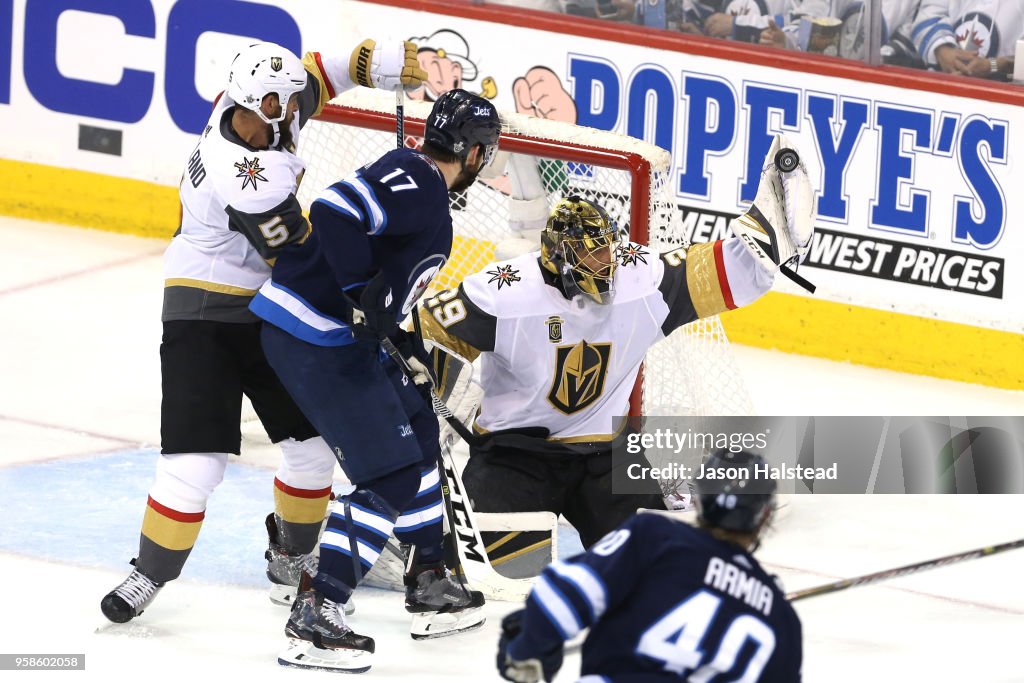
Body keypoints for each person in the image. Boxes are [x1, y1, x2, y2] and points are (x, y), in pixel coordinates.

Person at [99, 39, 428, 625]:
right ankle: (148, 571)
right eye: (275, 105)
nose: (287, 112)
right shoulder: (244, 175)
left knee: (311, 450)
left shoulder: (260, 111)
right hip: (201, 313)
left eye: (286, 102)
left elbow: (317, 77)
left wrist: (374, 65)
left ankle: (293, 559)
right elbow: (299, 259)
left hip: (268, 312)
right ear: (247, 104)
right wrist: (360, 299)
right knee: (196, 462)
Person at [412, 134, 815, 550]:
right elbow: (422, 335)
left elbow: (727, 270)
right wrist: (428, 393)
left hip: (606, 456)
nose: (606, 263)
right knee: (508, 577)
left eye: (607, 250)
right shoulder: (503, 291)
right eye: (591, 255)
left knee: (650, 563)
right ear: (558, 257)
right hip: (516, 455)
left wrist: (770, 230)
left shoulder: (642, 280)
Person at [248, 89, 503, 671]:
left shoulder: (423, 184)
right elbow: (336, 213)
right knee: (389, 473)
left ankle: (429, 577)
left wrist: (400, 341)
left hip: (333, 337)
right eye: (485, 151)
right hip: (314, 338)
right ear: (472, 152)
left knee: (416, 421)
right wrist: (355, 296)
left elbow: (389, 285)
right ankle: (319, 610)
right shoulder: (417, 178)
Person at [496, 448, 803, 682]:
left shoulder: (655, 536)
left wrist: (525, 650)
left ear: (698, 500)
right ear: (765, 517)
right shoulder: (784, 621)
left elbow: (561, 596)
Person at [912, 0, 1023, 79]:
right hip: (940, 86)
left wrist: (994, 65)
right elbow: (927, 15)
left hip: (1002, 98)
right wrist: (942, 49)